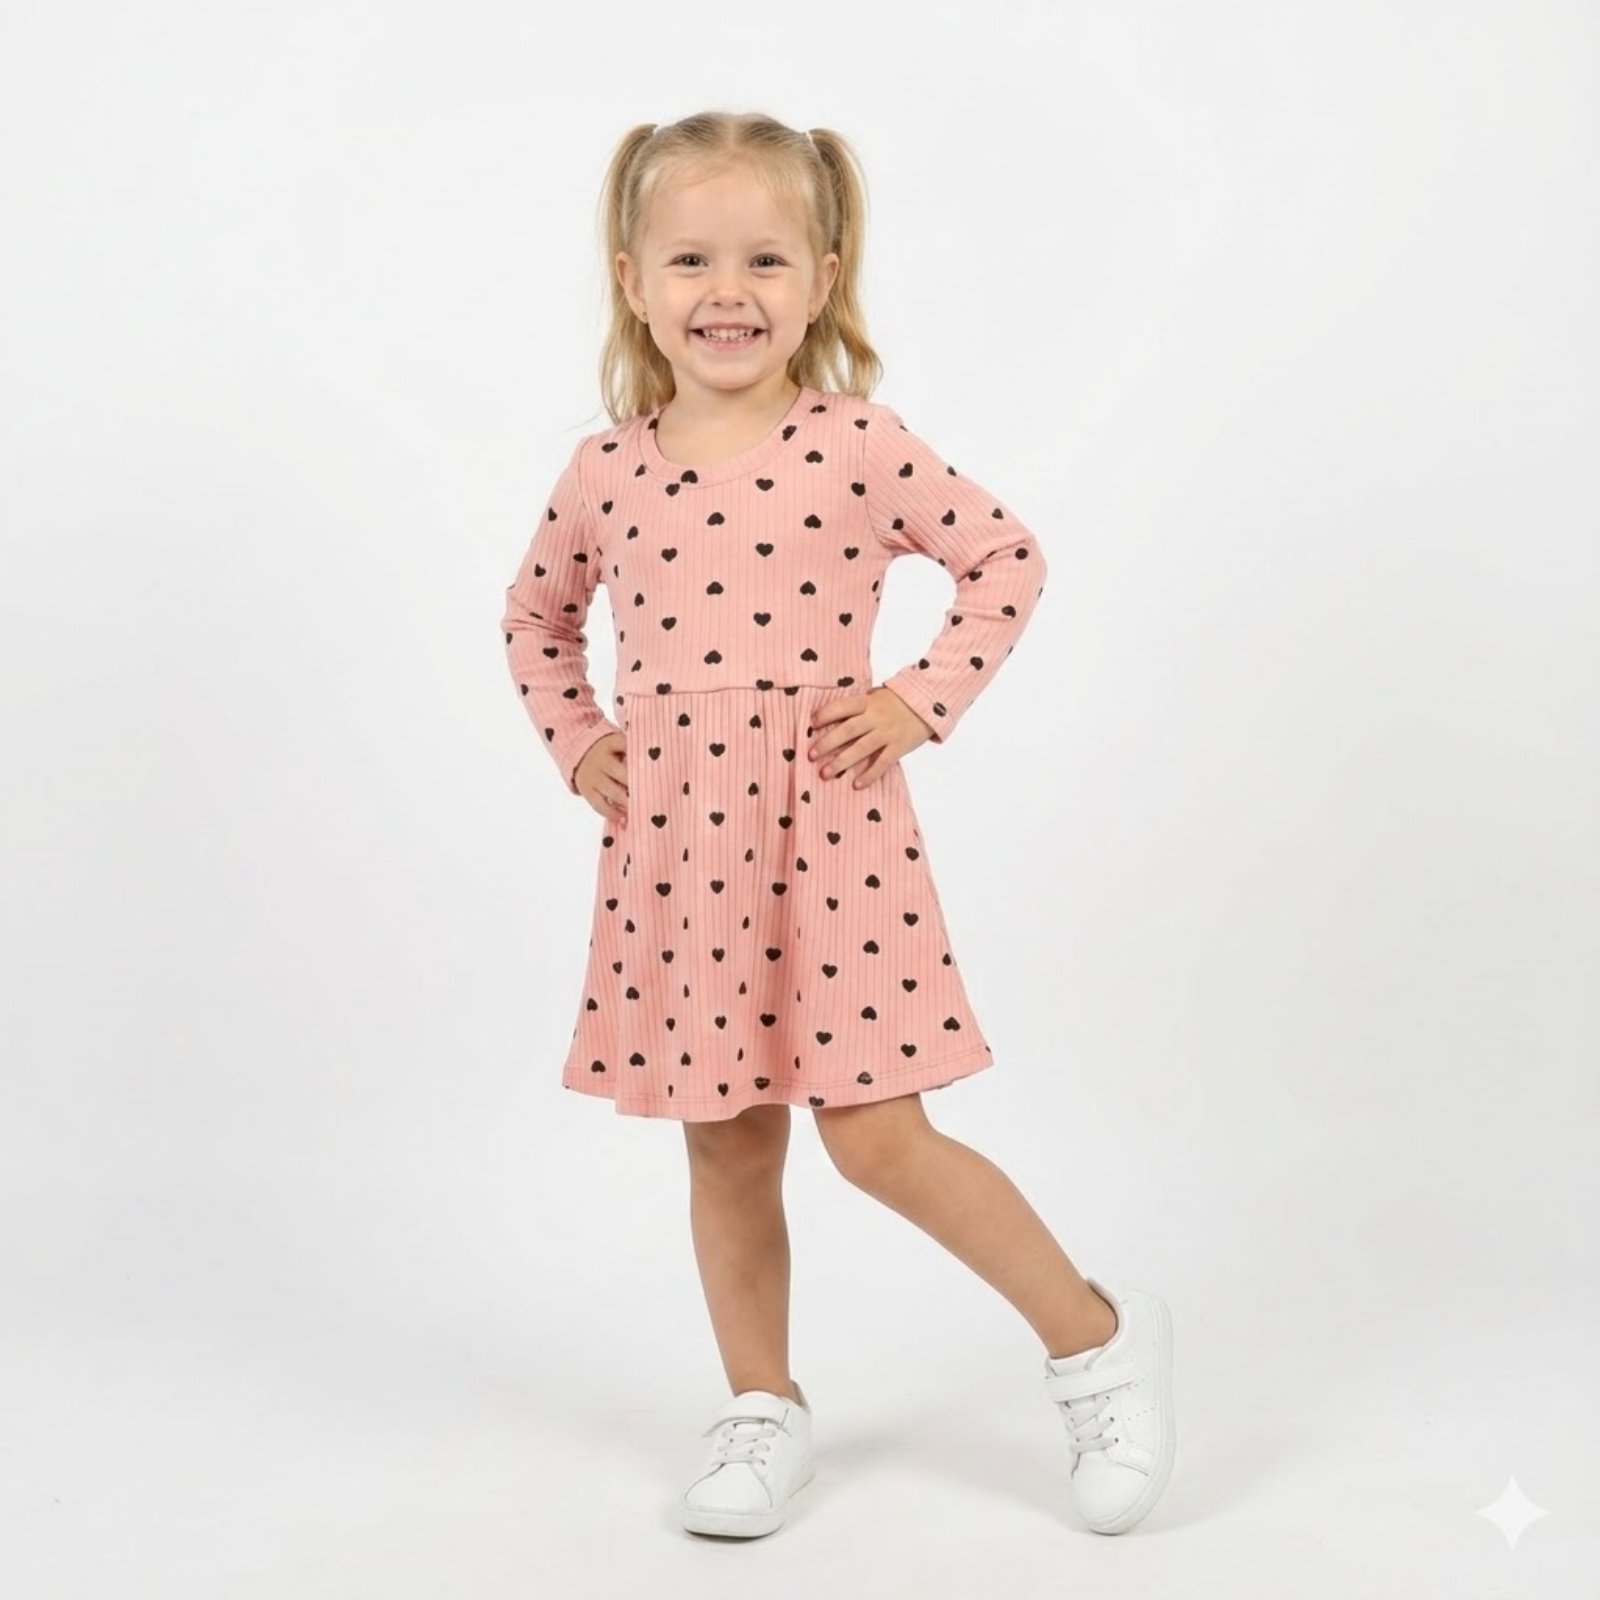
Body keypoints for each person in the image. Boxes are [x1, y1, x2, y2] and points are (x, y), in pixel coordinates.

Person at [498, 111, 1176, 1540]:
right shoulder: (604, 470)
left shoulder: (857, 443)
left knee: (876, 1137)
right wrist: (582, 744)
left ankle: (1099, 1344)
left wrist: (922, 700)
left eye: (764, 260)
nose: (725, 292)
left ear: (822, 278)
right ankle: (762, 1406)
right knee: (726, 1143)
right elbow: (536, 619)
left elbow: (1004, 557)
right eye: (691, 259)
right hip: (680, 856)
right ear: (632, 280)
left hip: (830, 833)